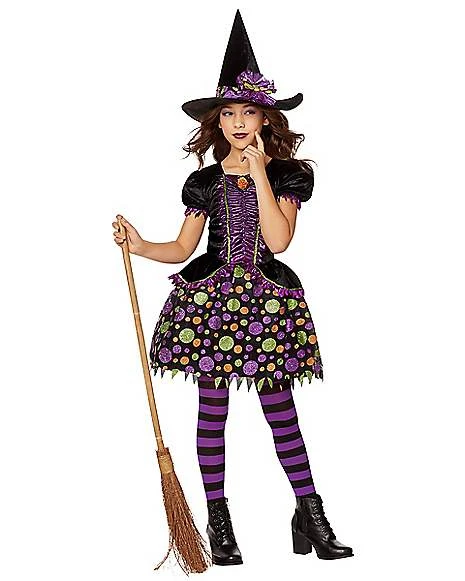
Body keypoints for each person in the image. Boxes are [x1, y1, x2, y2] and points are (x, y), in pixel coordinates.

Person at [112, 9, 353, 566]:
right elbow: (182, 248)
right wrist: (139, 244)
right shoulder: (203, 182)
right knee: (212, 411)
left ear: (266, 118)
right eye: (229, 112)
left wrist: (261, 171)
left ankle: (309, 512)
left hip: (267, 305)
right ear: (217, 121)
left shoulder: (288, 175)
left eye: (249, 111)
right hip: (213, 307)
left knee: (280, 409)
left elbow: (280, 239)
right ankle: (218, 520)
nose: (239, 122)